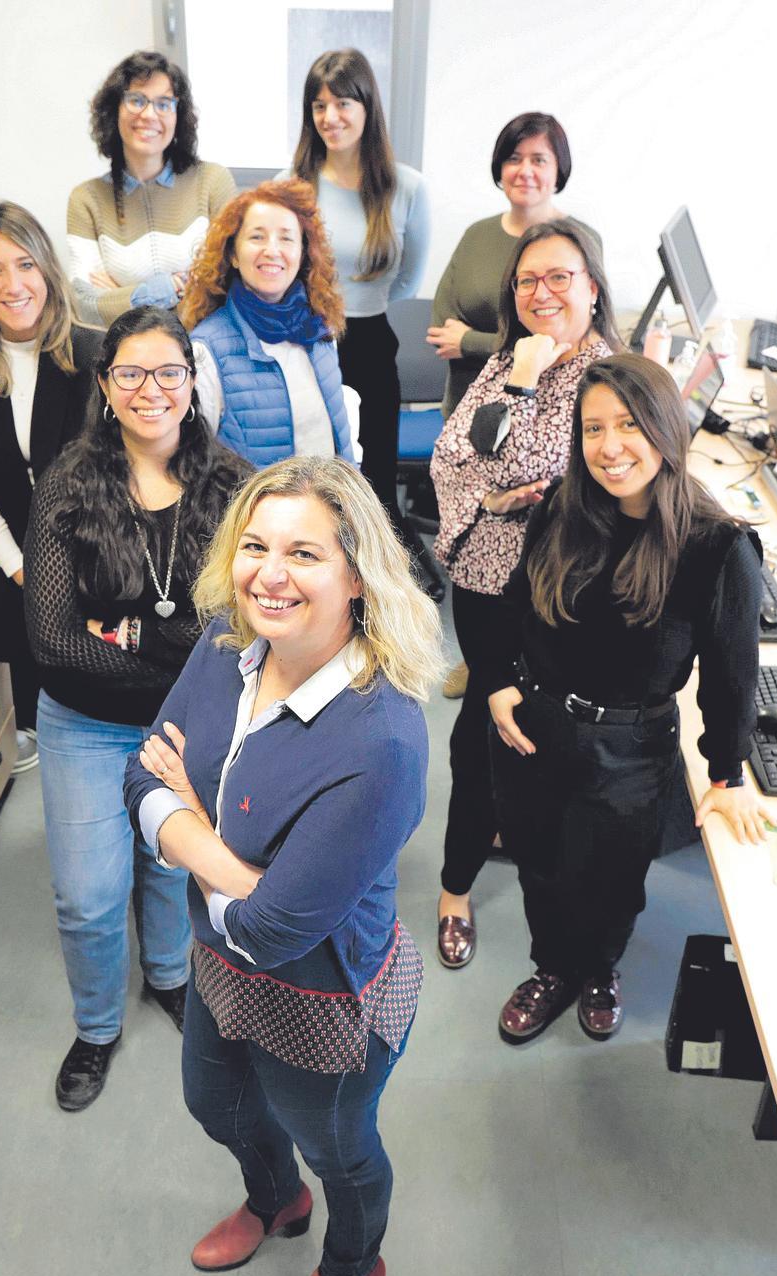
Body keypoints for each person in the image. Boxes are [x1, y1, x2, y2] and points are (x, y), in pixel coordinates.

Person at [124, 457, 443, 1276]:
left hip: (325, 991)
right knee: (213, 1105)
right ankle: (276, 1202)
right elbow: (138, 776)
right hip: (218, 962)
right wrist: (230, 863)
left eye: (305, 553)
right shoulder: (227, 642)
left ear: (356, 576)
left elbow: (272, 934)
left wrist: (183, 830)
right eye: (255, 546)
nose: (270, 573)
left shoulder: (381, 738)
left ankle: (351, 1269)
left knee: (337, 1146)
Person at [473, 354, 770, 1044]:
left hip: (629, 747)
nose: (609, 448)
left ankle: (600, 966)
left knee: (609, 879)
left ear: (667, 427)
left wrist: (727, 774)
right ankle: (552, 967)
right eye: (593, 428)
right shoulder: (564, 506)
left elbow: (733, 677)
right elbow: (516, 602)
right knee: (539, 862)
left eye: (629, 426)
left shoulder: (717, 546)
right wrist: (496, 682)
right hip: (534, 726)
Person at [23, 306, 249, 1110]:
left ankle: (166, 978)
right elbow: (50, 641)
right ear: (105, 384)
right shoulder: (68, 481)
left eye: (168, 373)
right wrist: (173, 645)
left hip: (183, 726)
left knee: (167, 866)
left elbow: (245, 620)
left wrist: (124, 635)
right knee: (87, 896)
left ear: (191, 382)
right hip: (82, 723)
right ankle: (95, 1028)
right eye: (130, 373)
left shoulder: (230, 480)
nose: (150, 390)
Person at [430, 217, 621, 972]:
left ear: (593, 287)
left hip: (561, 594)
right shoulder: (514, 360)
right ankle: (453, 888)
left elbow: (538, 470)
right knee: (480, 732)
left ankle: (533, 859)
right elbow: (457, 459)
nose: (541, 292)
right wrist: (519, 379)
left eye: (559, 277)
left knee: (539, 737)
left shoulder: (610, 377)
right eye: (527, 280)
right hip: (486, 584)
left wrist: (504, 484)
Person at [0, 202, 102, 773]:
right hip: (10, 562)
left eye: (25, 264)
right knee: (31, 667)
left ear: (48, 271)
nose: (13, 285)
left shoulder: (94, 356)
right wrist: (25, 570)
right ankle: (31, 728)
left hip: (95, 562)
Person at [289, 48, 442, 598]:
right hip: (309, 340)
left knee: (375, 472)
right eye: (319, 105)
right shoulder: (297, 184)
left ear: (367, 106)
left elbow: (407, 280)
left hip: (373, 337)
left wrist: (362, 299)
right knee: (318, 472)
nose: (330, 117)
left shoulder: (407, 187)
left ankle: (375, 582)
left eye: (342, 103)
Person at [428, 112, 599, 422]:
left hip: (543, 417)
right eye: (514, 159)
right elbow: (443, 327)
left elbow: (564, 342)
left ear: (559, 168)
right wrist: (510, 344)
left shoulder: (582, 242)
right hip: (467, 408)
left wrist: (470, 342)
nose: (525, 171)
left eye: (539, 160)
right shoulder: (477, 234)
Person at [180, 178, 357, 467]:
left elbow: (342, 444)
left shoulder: (320, 331)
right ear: (233, 254)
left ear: (302, 253)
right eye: (257, 237)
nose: (272, 250)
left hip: (327, 505)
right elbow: (195, 465)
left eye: (286, 238)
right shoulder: (206, 349)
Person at [67, 50, 235, 328]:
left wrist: (118, 296)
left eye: (163, 103)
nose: (149, 114)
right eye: (136, 100)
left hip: (207, 351)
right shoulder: (86, 200)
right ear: (114, 110)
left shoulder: (213, 181)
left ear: (177, 114)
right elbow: (84, 305)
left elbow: (229, 282)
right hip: (131, 358)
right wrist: (175, 286)